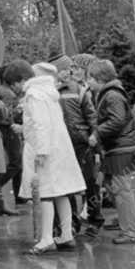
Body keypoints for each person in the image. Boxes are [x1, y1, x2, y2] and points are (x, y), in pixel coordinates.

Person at [8, 61, 86, 254]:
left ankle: (46, 238)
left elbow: (41, 125)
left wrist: (41, 152)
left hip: (45, 150)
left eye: (14, 84)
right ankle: (66, 234)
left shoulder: (34, 95)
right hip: (59, 148)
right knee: (60, 192)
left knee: (45, 194)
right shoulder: (49, 93)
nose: (15, 89)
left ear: (21, 80)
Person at [86, 59, 135, 245]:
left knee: (121, 189)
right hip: (119, 147)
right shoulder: (110, 93)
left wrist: (97, 133)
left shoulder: (111, 95)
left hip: (121, 148)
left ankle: (132, 231)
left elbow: (117, 120)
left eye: (90, 78)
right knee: (116, 188)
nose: (88, 82)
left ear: (99, 78)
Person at [50, 55, 102, 237]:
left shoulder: (79, 90)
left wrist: (94, 136)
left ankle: (95, 219)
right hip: (60, 145)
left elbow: (92, 116)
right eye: (62, 69)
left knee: (89, 183)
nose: (67, 72)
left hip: (81, 143)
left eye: (68, 69)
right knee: (67, 185)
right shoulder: (50, 92)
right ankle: (71, 222)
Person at [0, 66, 25, 209]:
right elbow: (7, 115)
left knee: (18, 163)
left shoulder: (3, 90)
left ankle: (20, 196)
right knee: (16, 162)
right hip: (9, 129)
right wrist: (19, 112)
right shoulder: (9, 94)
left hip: (7, 129)